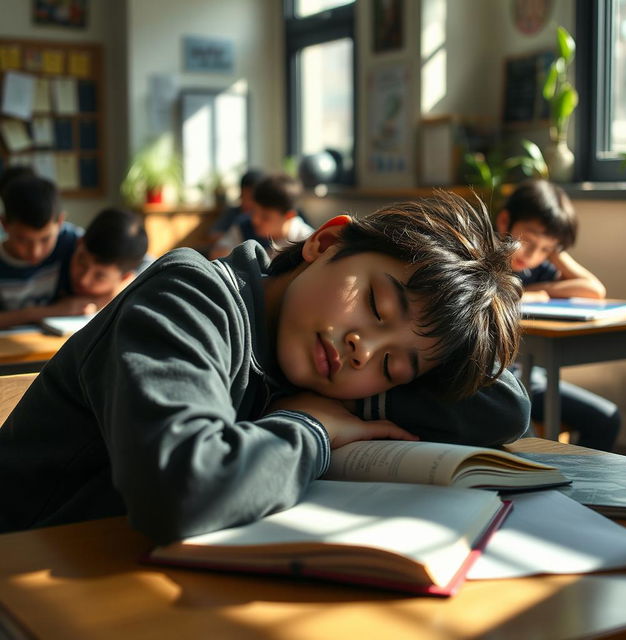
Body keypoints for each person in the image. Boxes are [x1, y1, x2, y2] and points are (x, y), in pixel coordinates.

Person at [0, 192, 529, 544]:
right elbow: (181, 488)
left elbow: (502, 408)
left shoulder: (300, 362)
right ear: (326, 241)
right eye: (374, 305)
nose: (362, 350)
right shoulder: (193, 294)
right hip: (26, 577)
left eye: (393, 366)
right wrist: (314, 426)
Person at [496, 179, 620, 451]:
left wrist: (551, 268)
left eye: (545, 249)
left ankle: (582, 490)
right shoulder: (483, 258)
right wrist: (524, 293)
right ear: (505, 221)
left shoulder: (531, 270)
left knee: (606, 419)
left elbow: (593, 290)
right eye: (528, 241)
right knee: (519, 427)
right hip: (493, 379)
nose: (532, 255)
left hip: (530, 376)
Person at [0, 173, 84, 329]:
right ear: (4, 224)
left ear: (60, 222)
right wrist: (45, 312)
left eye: (45, 239)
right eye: (22, 240)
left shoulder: (72, 240)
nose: (35, 252)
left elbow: (132, 272)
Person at [59, 207, 151, 307]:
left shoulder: (141, 275)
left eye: (99, 276)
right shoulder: (57, 244)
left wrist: (99, 303)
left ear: (124, 278)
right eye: (82, 262)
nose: (83, 280)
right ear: (79, 242)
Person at [211, 174, 313, 259]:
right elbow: (220, 251)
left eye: (265, 217)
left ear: (289, 216)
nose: (255, 220)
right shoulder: (244, 227)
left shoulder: (306, 242)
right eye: (253, 212)